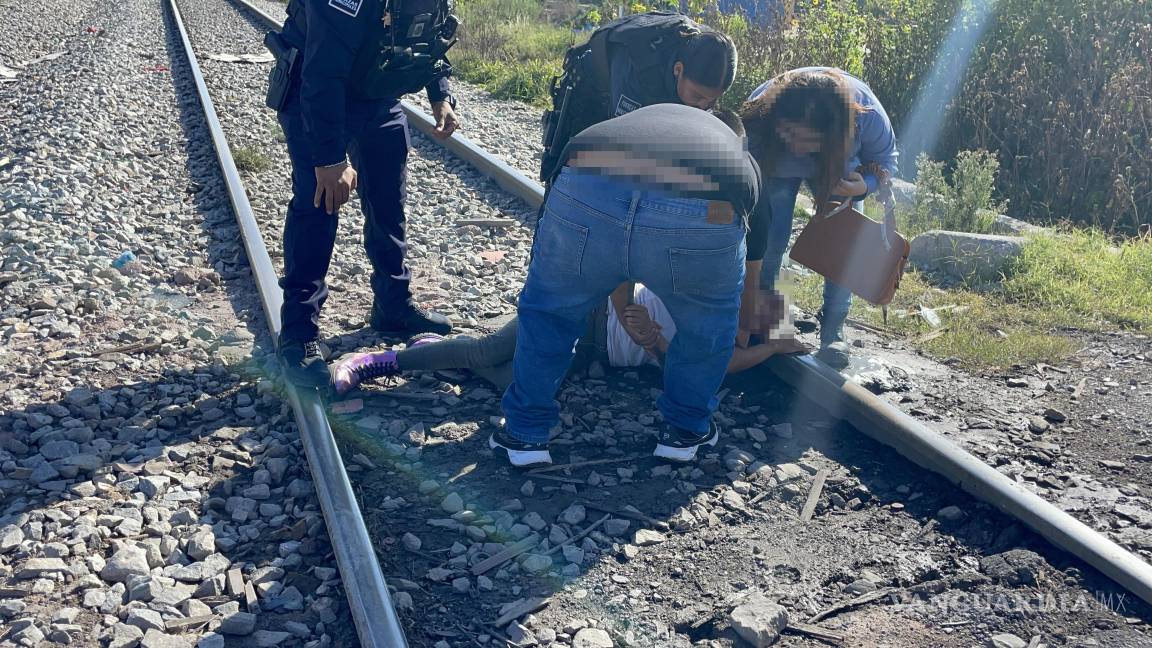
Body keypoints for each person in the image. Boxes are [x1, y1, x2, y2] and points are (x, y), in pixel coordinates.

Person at [484, 104, 768, 468]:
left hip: (586, 187)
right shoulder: (738, 153)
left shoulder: (652, 115)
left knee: (550, 312)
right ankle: (684, 431)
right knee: (706, 325)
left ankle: (524, 434)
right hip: (701, 211)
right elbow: (747, 262)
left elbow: (620, 239)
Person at [267, 0, 462, 387]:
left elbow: (430, 34)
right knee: (319, 205)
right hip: (316, 94)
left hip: (376, 96)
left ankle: (393, 304)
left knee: (388, 201)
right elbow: (322, 72)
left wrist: (440, 93)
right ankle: (299, 332)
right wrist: (329, 158)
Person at [330, 283, 806, 394]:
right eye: (752, 326)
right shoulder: (712, 292)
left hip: (590, 355)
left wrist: (771, 346)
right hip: (584, 311)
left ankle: (434, 358)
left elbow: (720, 366)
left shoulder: (725, 341)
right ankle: (381, 361)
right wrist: (771, 348)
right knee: (489, 349)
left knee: (512, 383)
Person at [741, 67, 899, 369]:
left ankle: (834, 330)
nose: (796, 147)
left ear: (834, 133)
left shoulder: (867, 115)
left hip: (838, 170)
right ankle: (768, 321)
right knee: (771, 242)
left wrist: (867, 185)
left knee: (845, 245)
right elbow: (742, 162)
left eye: (807, 139)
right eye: (788, 132)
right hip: (774, 170)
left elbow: (887, 158)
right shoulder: (763, 109)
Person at [540, 11, 738, 182]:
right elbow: (622, 144)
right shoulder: (639, 70)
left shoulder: (706, 56)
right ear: (679, 70)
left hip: (643, 88)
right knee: (567, 174)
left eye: (712, 100)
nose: (703, 106)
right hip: (589, 92)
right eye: (697, 96)